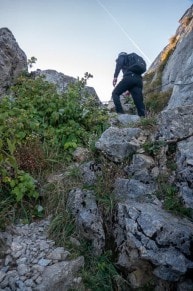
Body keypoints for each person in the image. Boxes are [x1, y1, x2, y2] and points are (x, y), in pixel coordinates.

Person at [112, 52, 146, 117]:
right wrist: (129, 89)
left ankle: (120, 114)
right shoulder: (133, 58)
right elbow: (133, 81)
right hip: (138, 80)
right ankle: (144, 119)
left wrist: (115, 77)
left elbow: (119, 64)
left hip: (129, 76)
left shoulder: (122, 57)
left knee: (115, 93)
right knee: (139, 101)